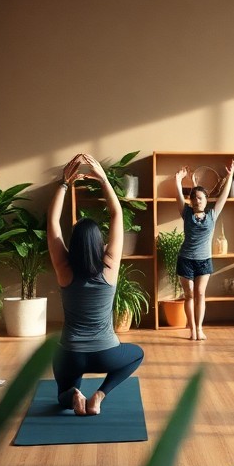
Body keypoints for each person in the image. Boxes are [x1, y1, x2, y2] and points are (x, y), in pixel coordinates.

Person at [46, 153, 144, 416]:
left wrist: (64, 183)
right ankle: (99, 395)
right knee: (136, 354)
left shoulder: (63, 268)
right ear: (98, 243)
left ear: (74, 243)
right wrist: (102, 178)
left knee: (62, 394)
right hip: (106, 353)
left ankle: (75, 395)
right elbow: (116, 214)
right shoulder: (109, 266)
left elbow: (53, 223)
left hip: (70, 354)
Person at [172, 161, 234, 341]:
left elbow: (224, 196)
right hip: (185, 259)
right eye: (193, 198)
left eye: (199, 198)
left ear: (206, 200)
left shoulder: (212, 215)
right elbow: (178, 196)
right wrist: (177, 181)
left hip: (204, 260)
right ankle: (192, 329)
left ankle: (199, 328)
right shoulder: (186, 213)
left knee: (200, 293)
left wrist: (230, 175)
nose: (196, 200)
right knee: (189, 294)